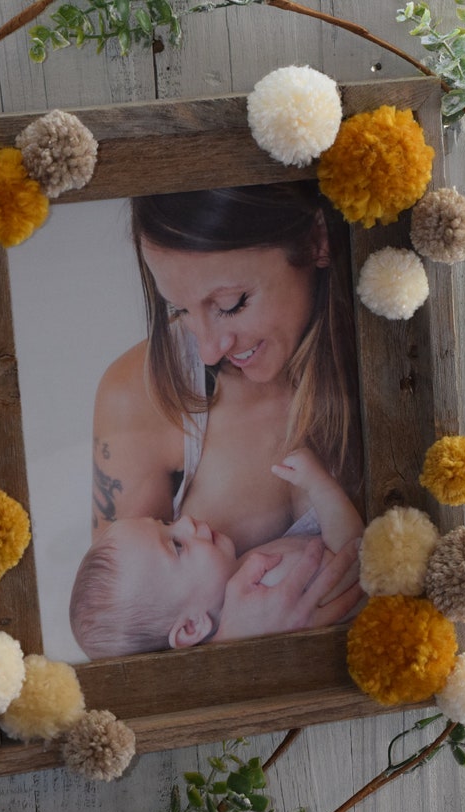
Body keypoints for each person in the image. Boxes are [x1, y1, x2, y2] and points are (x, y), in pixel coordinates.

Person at [87, 182, 363, 644]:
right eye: (179, 309)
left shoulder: (400, 354)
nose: (209, 350)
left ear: (317, 239)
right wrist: (234, 643)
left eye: (231, 305)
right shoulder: (140, 393)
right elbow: (120, 642)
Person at [72, 448, 363, 659]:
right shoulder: (271, 585)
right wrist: (320, 487)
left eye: (167, 523)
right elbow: (353, 559)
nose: (186, 522)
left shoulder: (247, 578)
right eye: (177, 545)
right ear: (192, 627)